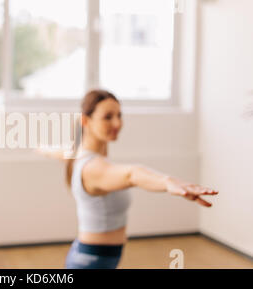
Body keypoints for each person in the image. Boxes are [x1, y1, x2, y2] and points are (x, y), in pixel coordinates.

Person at [56, 89, 218, 269]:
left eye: (119, 115)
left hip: (97, 257)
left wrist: (43, 149)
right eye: (108, 117)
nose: (117, 123)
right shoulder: (93, 168)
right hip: (91, 261)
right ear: (86, 121)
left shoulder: (80, 156)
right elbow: (132, 174)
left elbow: (60, 152)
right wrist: (167, 181)